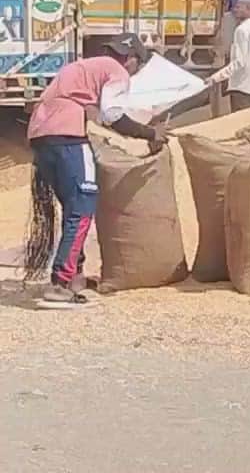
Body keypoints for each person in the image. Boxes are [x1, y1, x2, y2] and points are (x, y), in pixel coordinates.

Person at [25, 33, 167, 309]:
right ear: (131, 59)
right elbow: (114, 115)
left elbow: (97, 112)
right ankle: (60, 285)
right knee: (82, 206)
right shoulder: (117, 71)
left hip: (41, 135)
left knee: (71, 205)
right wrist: (150, 133)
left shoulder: (82, 67)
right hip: (67, 136)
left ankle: (73, 275)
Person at [206, 0, 250, 113]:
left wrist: (216, 78)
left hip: (242, 88)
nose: (235, 10)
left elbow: (239, 62)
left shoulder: (242, 30)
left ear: (248, 9)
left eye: (238, 7)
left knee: (241, 127)